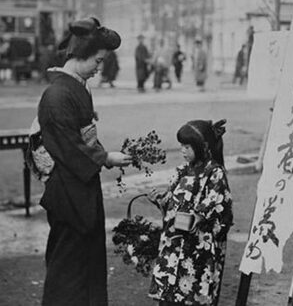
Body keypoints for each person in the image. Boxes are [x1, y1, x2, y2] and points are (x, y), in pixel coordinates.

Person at [37, 17, 132, 306]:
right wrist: (105, 158)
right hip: (68, 190)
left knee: (86, 260)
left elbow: (82, 138)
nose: (100, 69)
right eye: (98, 61)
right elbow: (68, 145)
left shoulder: (73, 88)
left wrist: (101, 154)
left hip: (80, 186)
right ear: (80, 56)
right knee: (68, 265)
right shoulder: (57, 95)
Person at [148, 119, 233, 306]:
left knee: (192, 294)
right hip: (174, 244)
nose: (183, 151)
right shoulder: (181, 171)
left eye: (188, 146)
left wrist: (199, 216)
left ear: (202, 147)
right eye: (181, 146)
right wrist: (160, 200)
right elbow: (171, 203)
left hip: (197, 247)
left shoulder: (215, 173)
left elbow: (217, 202)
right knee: (169, 296)